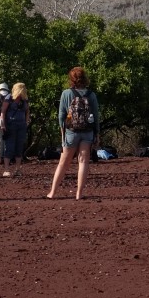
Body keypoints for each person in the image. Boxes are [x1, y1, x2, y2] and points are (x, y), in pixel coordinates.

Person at [47, 67, 100, 200]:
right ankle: (79, 194)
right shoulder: (91, 95)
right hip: (87, 132)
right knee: (83, 162)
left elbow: (61, 115)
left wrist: (62, 132)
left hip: (71, 132)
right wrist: (97, 133)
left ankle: (52, 192)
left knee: (63, 163)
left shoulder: (66, 93)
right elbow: (96, 116)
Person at [0, 82, 30, 178]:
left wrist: (26, 122)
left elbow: (27, 111)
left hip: (21, 126)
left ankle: (17, 169)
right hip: (11, 125)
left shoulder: (24, 100)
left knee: (19, 147)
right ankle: (6, 170)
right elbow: (3, 112)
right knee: (9, 147)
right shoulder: (9, 98)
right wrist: (3, 124)